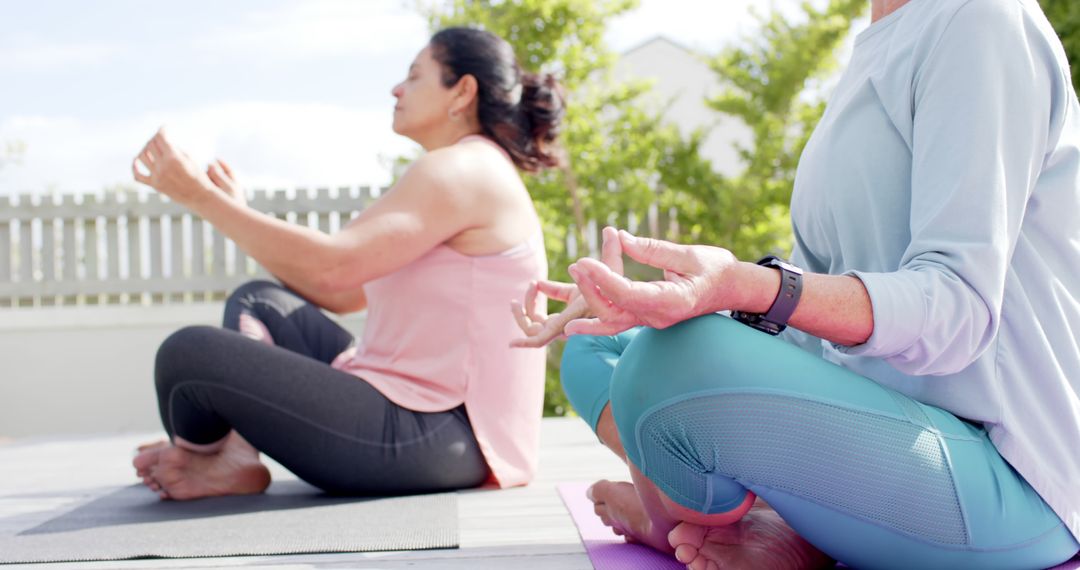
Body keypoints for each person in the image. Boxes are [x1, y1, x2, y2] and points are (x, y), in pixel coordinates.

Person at [513, 0, 1080, 567]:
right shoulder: (876, 46)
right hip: (884, 437)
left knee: (670, 364)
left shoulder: (981, 18)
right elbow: (810, 330)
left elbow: (957, 309)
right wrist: (657, 301)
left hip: (1009, 480)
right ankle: (773, 523)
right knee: (597, 345)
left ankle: (686, 517)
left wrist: (746, 286)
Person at [129, 26, 564, 500]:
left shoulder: (464, 170)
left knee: (189, 355)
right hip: (418, 417)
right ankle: (229, 458)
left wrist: (202, 198)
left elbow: (330, 270)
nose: (397, 89)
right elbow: (342, 291)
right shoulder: (463, 170)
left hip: (442, 435)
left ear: (461, 91)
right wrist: (233, 210)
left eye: (415, 77)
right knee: (257, 301)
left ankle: (208, 460)